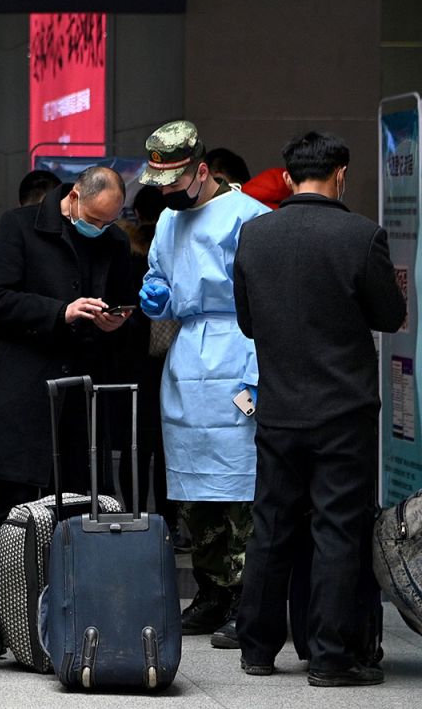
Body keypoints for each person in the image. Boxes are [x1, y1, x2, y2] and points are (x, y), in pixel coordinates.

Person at [234, 131, 405, 687]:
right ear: (342, 174)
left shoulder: (255, 235)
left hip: (279, 406)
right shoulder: (362, 235)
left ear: (286, 177)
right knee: (337, 530)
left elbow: (247, 321)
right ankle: (331, 657)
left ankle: (256, 648)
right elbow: (388, 314)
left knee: (271, 525)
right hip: (344, 412)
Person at [138, 120, 270, 647]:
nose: (165, 193)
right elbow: (161, 276)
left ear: (202, 170)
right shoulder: (168, 222)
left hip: (239, 349)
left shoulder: (249, 216)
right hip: (187, 358)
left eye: (173, 181)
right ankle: (213, 593)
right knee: (196, 491)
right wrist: (157, 292)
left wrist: (261, 374)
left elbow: (267, 296)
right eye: (159, 184)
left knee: (241, 490)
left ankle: (249, 600)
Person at [0, 167, 133, 521]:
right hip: (25, 390)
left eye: (109, 222)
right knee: (15, 510)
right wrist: (60, 312)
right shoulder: (19, 226)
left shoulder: (115, 242)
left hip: (82, 395)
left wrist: (116, 322)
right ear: (74, 196)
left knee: (80, 512)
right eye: (94, 219)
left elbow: (124, 305)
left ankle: (67, 580)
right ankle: (10, 578)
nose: (100, 228)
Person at [117, 186, 177, 531]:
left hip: (133, 362)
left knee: (134, 445)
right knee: (167, 447)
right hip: (172, 360)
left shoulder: (128, 253)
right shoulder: (173, 248)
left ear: (136, 214)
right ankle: (169, 523)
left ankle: (134, 517)